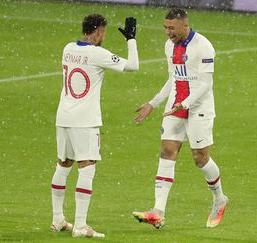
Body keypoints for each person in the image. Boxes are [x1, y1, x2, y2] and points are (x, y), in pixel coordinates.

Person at [132, 8, 228, 229]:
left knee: (200, 158)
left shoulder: (203, 46)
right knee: (167, 152)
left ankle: (220, 199)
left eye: (172, 28)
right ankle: (158, 212)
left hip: (198, 108)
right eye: (165, 28)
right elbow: (173, 78)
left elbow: (206, 84)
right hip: (175, 107)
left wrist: (184, 103)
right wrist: (152, 103)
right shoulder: (169, 46)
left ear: (185, 25)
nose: (168, 33)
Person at [50, 14, 138, 238]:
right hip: (85, 120)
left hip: (64, 116)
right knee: (87, 168)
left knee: (63, 165)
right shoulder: (98, 54)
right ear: (98, 31)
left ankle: (58, 218)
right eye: (104, 32)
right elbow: (133, 66)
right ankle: (80, 225)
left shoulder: (68, 48)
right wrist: (131, 39)